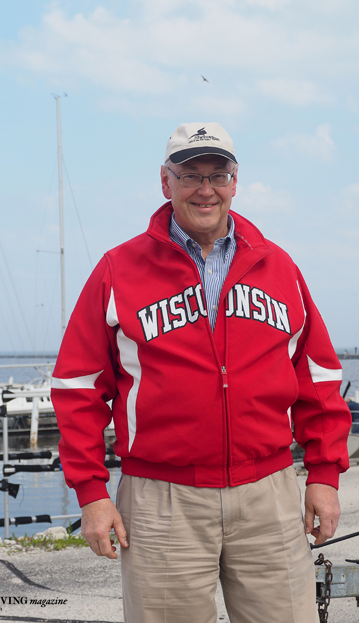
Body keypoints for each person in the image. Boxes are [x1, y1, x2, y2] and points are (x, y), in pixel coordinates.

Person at [51, 122, 351, 623]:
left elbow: (318, 379)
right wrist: (92, 494)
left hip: (270, 495)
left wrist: (323, 475)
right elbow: (77, 389)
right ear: (165, 181)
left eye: (218, 175)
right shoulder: (117, 270)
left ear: (235, 181)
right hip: (161, 501)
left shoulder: (279, 267)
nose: (205, 189)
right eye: (190, 175)